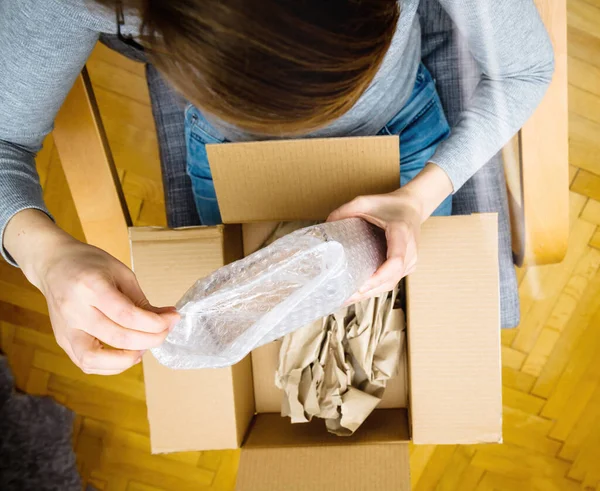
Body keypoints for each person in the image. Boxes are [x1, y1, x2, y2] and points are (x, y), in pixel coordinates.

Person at [0, 0, 554, 375]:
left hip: (400, 125)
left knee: (410, 322)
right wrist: (45, 256)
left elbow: (526, 68)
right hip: (229, 154)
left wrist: (419, 196)